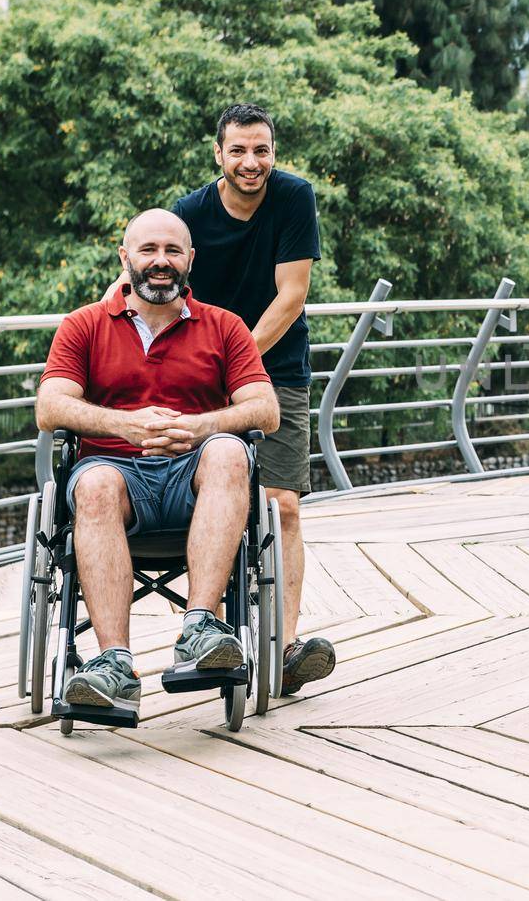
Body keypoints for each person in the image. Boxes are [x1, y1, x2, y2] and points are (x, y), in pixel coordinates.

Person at [39, 209, 280, 721]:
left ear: (190, 259)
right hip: (115, 475)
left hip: (193, 477)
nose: (160, 262)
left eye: (172, 251)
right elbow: (51, 407)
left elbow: (266, 410)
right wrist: (122, 425)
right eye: (148, 251)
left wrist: (199, 427)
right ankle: (113, 666)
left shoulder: (224, 326)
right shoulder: (83, 325)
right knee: (96, 483)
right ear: (126, 258)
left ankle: (200, 630)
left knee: (230, 450)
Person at [173, 103, 333, 696]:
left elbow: (291, 295)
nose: (250, 162)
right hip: (199, 373)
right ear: (218, 154)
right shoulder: (189, 212)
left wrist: (236, 357)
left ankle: (287, 646)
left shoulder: (294, 198)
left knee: (283, 504)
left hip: (276, 370)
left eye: (260, 150)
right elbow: (158, 278)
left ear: (273, 152)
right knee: (205, 493)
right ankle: (207, 622)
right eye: (238, 151)